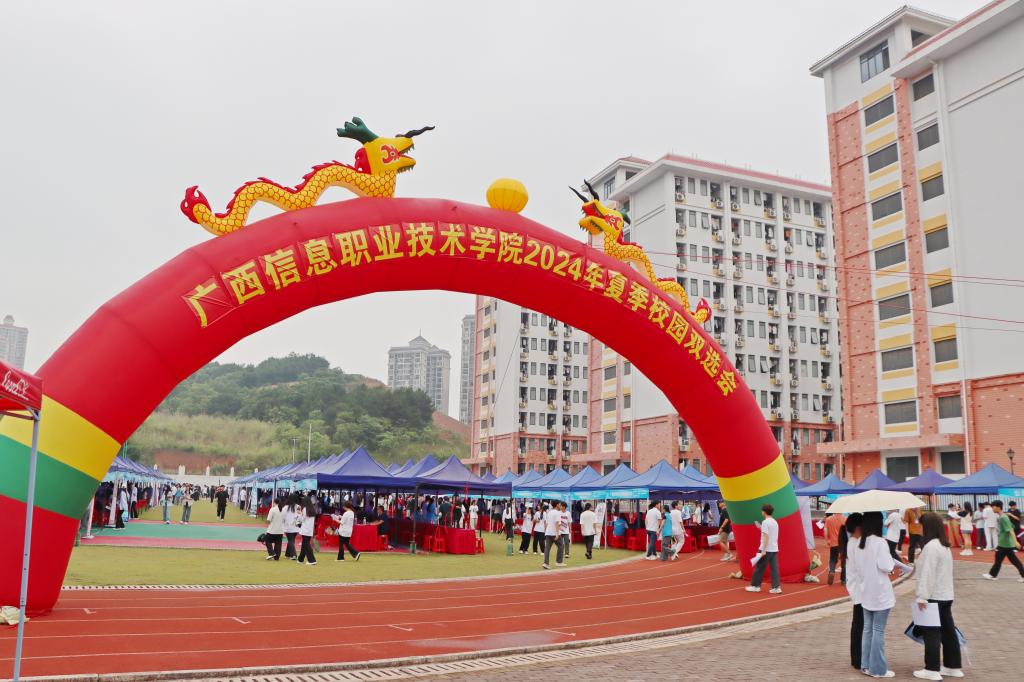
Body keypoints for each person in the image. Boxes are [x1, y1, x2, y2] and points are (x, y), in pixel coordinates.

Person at [855, 511, 912, 678]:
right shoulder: (880, 542)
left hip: (866, 591)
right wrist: (894, 564)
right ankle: (878, 669)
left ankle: (866, 665)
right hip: (880, 592)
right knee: (878, 630)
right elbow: (886, 566)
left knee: (868, 629)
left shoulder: (860, 542)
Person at [912, 511, 962, 680]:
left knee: (931, 632)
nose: (920, 529)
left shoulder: (931, 547)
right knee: (948, 632)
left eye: (921, 526)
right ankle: (953, 666)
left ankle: (931, 669)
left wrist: (922, 596)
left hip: (933, 595)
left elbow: (928, 573)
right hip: (946, 594)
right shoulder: (943, 545)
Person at [843, 513, 865, 671]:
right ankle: (858, 658)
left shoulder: (852, 542)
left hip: (856, 588)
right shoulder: (855, 544)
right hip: (859, 589)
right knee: (860, 625)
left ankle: (856, 657)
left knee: (858, 624)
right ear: (858, 527)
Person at [982, 500, 1024, 581]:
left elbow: (1011, 530)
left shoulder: (1003, 518)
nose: (992, 508)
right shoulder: (1003, 516)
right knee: (1006, 560)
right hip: (1004, 543)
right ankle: (992, 575)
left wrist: (1015, 542)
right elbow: (1012, 526)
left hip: (1005, 544)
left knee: (1006, 560)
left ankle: (992, 575)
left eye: (993, 507)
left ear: (998, 507)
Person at [745, 504, 781, 594]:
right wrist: (760, 527)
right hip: (774, 548)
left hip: (766, 549)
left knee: (760, 567)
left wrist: (763, 550)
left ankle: (755, 586)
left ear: (764, 512)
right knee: (774, 568)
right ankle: (776, 587)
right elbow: (769, 534)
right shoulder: (774, 522)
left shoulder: (765, 522)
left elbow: (766, 536)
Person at [824, 511, 847, 585]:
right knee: (844, 562)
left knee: (833, 559)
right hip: (843, 544)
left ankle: (832, 571)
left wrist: (827, 540)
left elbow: (825, 530)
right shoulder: (845, 519)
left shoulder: (829, 519)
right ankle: (843, 580)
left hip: (833, 543)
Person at [542, 500, 563, 569]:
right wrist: (557, 534)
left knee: (547, 548)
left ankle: (546, 563)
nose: (560, 506)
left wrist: (546, 531)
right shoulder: (557, 513)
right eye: (560, 505)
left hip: (548, 532)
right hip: (554, 532)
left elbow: (547, 523)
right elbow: (557, 523)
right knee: (561, 546)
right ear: (557, 505)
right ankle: (559, 562)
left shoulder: (549, 512)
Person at [296, 498, 317, 565]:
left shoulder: (305, 509)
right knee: (304, 544)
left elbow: (302, 519)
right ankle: (300, 559)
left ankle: (312, 560)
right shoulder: (312, 509)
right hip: (309, 530)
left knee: (306, 544)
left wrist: (299, 514)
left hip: (305, 529)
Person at [283, 496, 300, 560]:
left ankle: (294, 555)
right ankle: (287, 554)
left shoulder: (285, 507)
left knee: (290, 540)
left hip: (288, 526)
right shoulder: (298, 506)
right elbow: (299, 516)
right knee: (291, 540)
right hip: (296, 526)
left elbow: (283, 517)